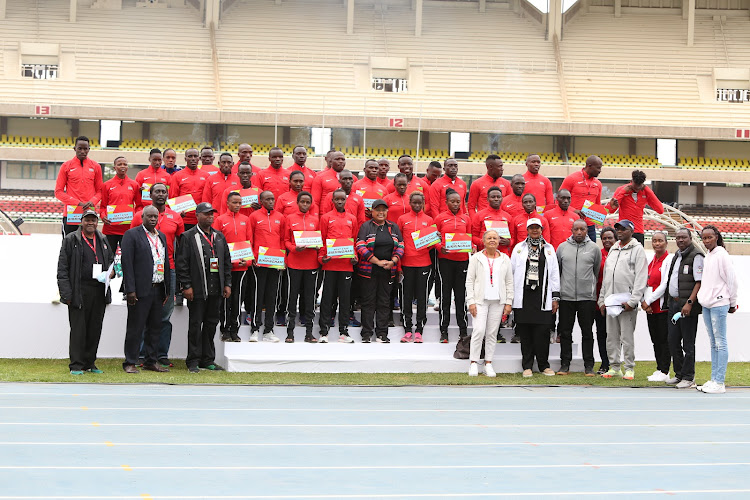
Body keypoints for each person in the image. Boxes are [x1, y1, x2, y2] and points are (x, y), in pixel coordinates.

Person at [131, 183, 184, 367]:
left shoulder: (176, 217)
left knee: (164, 316)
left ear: (168, 195)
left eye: (164, 191)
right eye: (157, 191)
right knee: (144, 314)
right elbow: (131, 240)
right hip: (145, 272)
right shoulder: (140, 216)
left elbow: (181, 246)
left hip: (168, 272)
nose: (160, 194)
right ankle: (141, 355)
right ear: (150, 194)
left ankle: (161, 355)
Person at [175, 202, 232, 373]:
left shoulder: (220, 236)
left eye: (212, 214)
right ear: (198, 215)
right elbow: (182, 264)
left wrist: (227, 283)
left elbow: (226, 263)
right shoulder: (188, 236)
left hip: (216, 289)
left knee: (211, 324)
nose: (210, 217)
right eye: (206, 214)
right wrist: (186, 286)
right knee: (195, 325)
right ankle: (193, 360)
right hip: (198, 290)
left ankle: (207, 359)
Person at [57, 209, 114, 375]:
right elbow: (62, 268)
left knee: (94, 328)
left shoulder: (103, 239)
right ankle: (76, 364)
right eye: (87, 220)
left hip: (99, 290)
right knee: (78, 329)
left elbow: (111, 261)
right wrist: (66, 294)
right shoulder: (71, 239)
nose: (91, 223)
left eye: (94, 220)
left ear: (97, 222)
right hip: (78, 290)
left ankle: (90, 363)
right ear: (82, 221)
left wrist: (111, 272)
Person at [120, 205, 172, 374]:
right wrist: (130, 290)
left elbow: (165, 262)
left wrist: (167, 290)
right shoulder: (132, 235)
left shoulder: (161, 237)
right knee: (136, 327)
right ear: (142, 217)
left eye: (155, 217)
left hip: (158, 289)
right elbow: (126, 263)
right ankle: (130, 362)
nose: (152, 219)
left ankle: (151, 360)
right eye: (149, 216)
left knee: (155, 327)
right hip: (140, 290)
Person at [598, 219, 648, 380]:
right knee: (611, 336)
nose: (619, 231)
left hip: (626, 302)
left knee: (626, 337)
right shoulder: (613, 249)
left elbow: (641, 278)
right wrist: (601, 300)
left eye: (623, 229)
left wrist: (633, 301)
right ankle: (614, 367)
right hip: (611, 301)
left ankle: (629, 368)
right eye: (618, 229)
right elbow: (606, 277)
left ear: (631, 231)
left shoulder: (637, 249)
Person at [511, 218, 560, 377]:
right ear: (527, 229)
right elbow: (511, 273)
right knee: (525, 334)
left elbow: (554, 274)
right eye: (531, 228)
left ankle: (544, 365)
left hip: (542, 296)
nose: (534, 230)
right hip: (523, 296)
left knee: (542, 333)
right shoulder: (519, 248)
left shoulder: (549, 249)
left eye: (537, 228)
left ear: (541, 229)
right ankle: (527, 366)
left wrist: (555, 297)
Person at [556, 219, 601, 376]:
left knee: (587, 333)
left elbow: (595, 271)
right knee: (565, 333)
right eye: (577, 229)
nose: (580, 232)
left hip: (586, 298)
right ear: (572, 230)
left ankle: (588, 366)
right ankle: (564, 365)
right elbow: (558, 271)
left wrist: (589, 289)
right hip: (566, 298)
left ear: (587, 230)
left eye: (583, 229)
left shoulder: (594, 249)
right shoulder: (562, 248)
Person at [356, 199, 405, 343]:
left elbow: (401, 245)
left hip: (388, 270)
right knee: (368, 302)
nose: (381, 212)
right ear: (372, 211)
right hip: (369, 270)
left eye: (383, 210)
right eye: (377, 210)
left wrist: (393, 261)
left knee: (384, 302)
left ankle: (382, 333)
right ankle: (366, 333)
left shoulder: (393, 227)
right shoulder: (366, 226)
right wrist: (376, 261)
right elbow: (360, 245)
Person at [466, 230, 514, 377]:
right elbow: (469, 281)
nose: (492, 240)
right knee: (479, 331)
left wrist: (508, 302)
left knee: (492, 333)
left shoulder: (505, 259)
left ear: (499, 241)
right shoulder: (476, 258)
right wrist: (471, 301)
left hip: (498, 302)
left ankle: (488, 363)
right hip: (480, 301)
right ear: (484, 241)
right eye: (489, 238)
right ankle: (474, 362)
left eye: (495, 238)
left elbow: (509, 282)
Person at [697, 225, 738, 394]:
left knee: (720, 342)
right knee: (713, 343)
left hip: (720, 303)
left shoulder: (722, 255)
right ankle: (714, 379)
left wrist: (732, 302)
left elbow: (732, 280)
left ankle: (719, 382)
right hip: (707, 304)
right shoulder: (709, 256)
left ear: (716, 237)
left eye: (709, 237)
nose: (706, 241)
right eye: (704, 238)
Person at [318, 189, 359, 343]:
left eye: (343, 199)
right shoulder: (326, 218)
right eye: (337, 199)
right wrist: (322, 257)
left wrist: (355, 255)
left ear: (346, 200)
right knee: (327, 299)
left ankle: (344, 331)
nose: (340, 202)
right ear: (333, 201)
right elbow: (322, 240)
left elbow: (353, 241)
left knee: (345, 300)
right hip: (330, 266)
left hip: (346, 266)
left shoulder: (352, 218)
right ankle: (324, 332)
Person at [665, 227, 703, 389]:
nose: (680, 240)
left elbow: (699, 282)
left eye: (683, 238)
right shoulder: (676, 255)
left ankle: (689, 377)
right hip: (674, 304)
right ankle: (679, 374)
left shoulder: (696, 256)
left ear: (690, 238)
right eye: (677, 238)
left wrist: (689, 302)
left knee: (688, 343)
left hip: (687, 306)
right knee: (673, 340)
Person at [213, 192, 251, 343]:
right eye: (234, 202)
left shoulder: (246, 220)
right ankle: (225, 329)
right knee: (225, 300)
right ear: (227, 203)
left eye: (240, 203)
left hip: (241, 269)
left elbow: (249, 242)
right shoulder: (220, 220)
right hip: (226, 269)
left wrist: (247, 261)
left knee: (237, 300)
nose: (237, 205)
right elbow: (216, 244)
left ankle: (235, 330)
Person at [248, 190, 285, 341]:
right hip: (259, 263)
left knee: (272, 296)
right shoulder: (254, 216)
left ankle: (269, 330)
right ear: (261, 201)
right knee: (257, 294)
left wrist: (283, 260)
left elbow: (282, 240)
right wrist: (252, 257)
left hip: (275, 262)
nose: (271, 202)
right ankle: (255, 329)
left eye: (272, 199)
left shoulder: (280, 217)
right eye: (267, 199)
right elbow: (249, 239)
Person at [434, 189, 471, 343]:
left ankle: (463, 331)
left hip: (462, 261)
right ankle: (444, 331)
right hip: (445, 261)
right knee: (445, 296)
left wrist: (472, 246)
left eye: (458, 201)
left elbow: (470, 238)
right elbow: (434, 237)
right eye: (452, 201)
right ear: (446, 202)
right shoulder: (439, 218)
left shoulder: (466, 219)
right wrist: (439, 247)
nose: (456, 204)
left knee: (461, 296)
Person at [397, 192, 433, 343]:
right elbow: (398, 242)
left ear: (424, 202)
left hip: (424, 264)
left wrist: (435, 240)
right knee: (405, 297)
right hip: (406, 264)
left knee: (422, 297)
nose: (417, 206)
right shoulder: (402, 219)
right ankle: (407, 329)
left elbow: (432, 243)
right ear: (410, 203)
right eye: (414, 203)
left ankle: (419, 330)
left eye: (420, 203)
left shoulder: (429, 220)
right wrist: (399, 265)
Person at [284, 191, 320, 343]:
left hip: (311, 264)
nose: (305, 205)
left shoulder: (315, 220)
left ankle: (309, 332)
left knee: (310, 298)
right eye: (302, 202)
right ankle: (290, 332)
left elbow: (320, 240)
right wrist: (293, 248)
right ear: (297, 203)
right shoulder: (290, 218)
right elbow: (285, 240)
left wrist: (317, 246)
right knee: (292, 298)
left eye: (308, 202)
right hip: (294, 263)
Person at [55, 136, 104, 235]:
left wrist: (92, 202)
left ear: (89, 149)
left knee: (89, 245)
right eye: (80, 148)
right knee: (69, 246)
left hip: (89, 214)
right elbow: (58, 192)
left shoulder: (96, 166)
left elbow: (100, 191)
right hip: (71, 214)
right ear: (75, 149)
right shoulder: (66, 166)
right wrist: (77, 203)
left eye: (85, 149)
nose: (82, 151)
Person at [641, 231, 673, 382]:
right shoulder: (652, 261)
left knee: (663, 339)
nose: (657, 243)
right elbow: (646, 283)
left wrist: (650, 300)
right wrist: (644, 302)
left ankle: (665, 370)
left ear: (666, 243)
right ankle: (659, 368)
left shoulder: (668, 260)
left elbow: (664, 285)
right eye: (654, 241)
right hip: (650, 308)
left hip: (661, 307)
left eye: (660, 240)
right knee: (655, 339)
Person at [608, 170, 664, 245]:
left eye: (640, 186)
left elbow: (660, 210)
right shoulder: (621, 190)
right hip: (623, 230)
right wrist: (623, 192)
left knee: (638, 256)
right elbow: (611, 209)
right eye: (635, 185)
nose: (637, 188)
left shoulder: (645, 192)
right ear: (631, 181)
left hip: (638, 231)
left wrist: (648, 190)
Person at [559, 155, 603, 242]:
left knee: (591, 253)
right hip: (573, 225)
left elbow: (598, 206)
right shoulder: (571, 179)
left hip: (590, 227)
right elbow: (558, 200)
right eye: (598, 168)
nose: (600, 171)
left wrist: (609, 208)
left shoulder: (598, 184)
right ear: (589, 166)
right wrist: (573, 210)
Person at [100, 156, 140, 250]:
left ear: (127, 167)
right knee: (108, 258)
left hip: (128, 229)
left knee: (127, 257)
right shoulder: (106, 185)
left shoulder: (134, 185)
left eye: (125, 164)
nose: (122, 166)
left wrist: (135, 216)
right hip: (110, 229)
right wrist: (103, 216)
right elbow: (103, 206)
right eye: (119, 164)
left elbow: (139, 206)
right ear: (114, 167)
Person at [170, 148, 210, 230]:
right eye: (190, 156)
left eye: (195, 156)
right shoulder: (177, 176)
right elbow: (173, 196)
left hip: (200, 219)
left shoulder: (206, 176)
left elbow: (208, 197)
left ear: (199, 158)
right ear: (185, 159)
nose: (193, 159)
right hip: (184, 219)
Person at [595, 226, 616, 374]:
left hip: (616, 301)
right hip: (600, 301)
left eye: (610, 238)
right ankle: (604, 363)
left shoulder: (620, 253)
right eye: (604, 238)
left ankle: (615, 363)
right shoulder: (598, 254)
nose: (607, 240)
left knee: (615, 335)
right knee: (602, 333)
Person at [471, 187, 513, 256]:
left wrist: (509, 242)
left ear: (502, 199)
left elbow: (513, 237)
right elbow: (473, 236)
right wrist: (484, 241)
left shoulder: (508, 217)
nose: (496, 199)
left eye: (498, 197)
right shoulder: (479, 215)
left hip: (502, 254)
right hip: (484, 254)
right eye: (493, 197)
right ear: (487, 199)